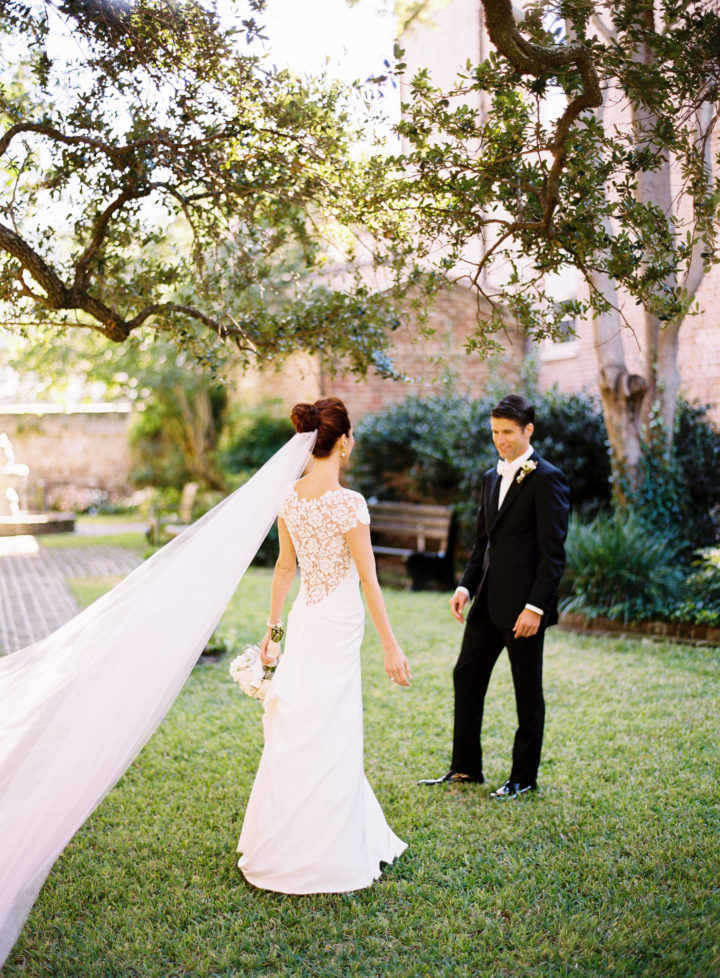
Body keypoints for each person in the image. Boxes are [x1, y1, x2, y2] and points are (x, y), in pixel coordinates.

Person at [237, 396, 411, 892]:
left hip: (309, 618)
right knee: (331, 724)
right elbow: (370, 582)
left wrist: (273, 633)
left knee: (302, 723)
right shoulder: (349, 503)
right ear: (343, 442)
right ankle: (328, 847)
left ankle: (295, 836)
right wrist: (391, 646)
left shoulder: (290, 496)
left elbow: (285, 568)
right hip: (337, 623)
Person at [420, 394, 569, 798]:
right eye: (494, 433)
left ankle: (523, 778)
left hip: (524, 610)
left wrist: (535, 607)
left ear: (528, 430)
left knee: (527, 692)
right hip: (486, 603)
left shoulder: (547, 478)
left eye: (507, 432)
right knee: (465, 675)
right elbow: (482, 542)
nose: (500, 440)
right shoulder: (490, 478)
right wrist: (465, 586)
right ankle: (466, 767)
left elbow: (553, 554)